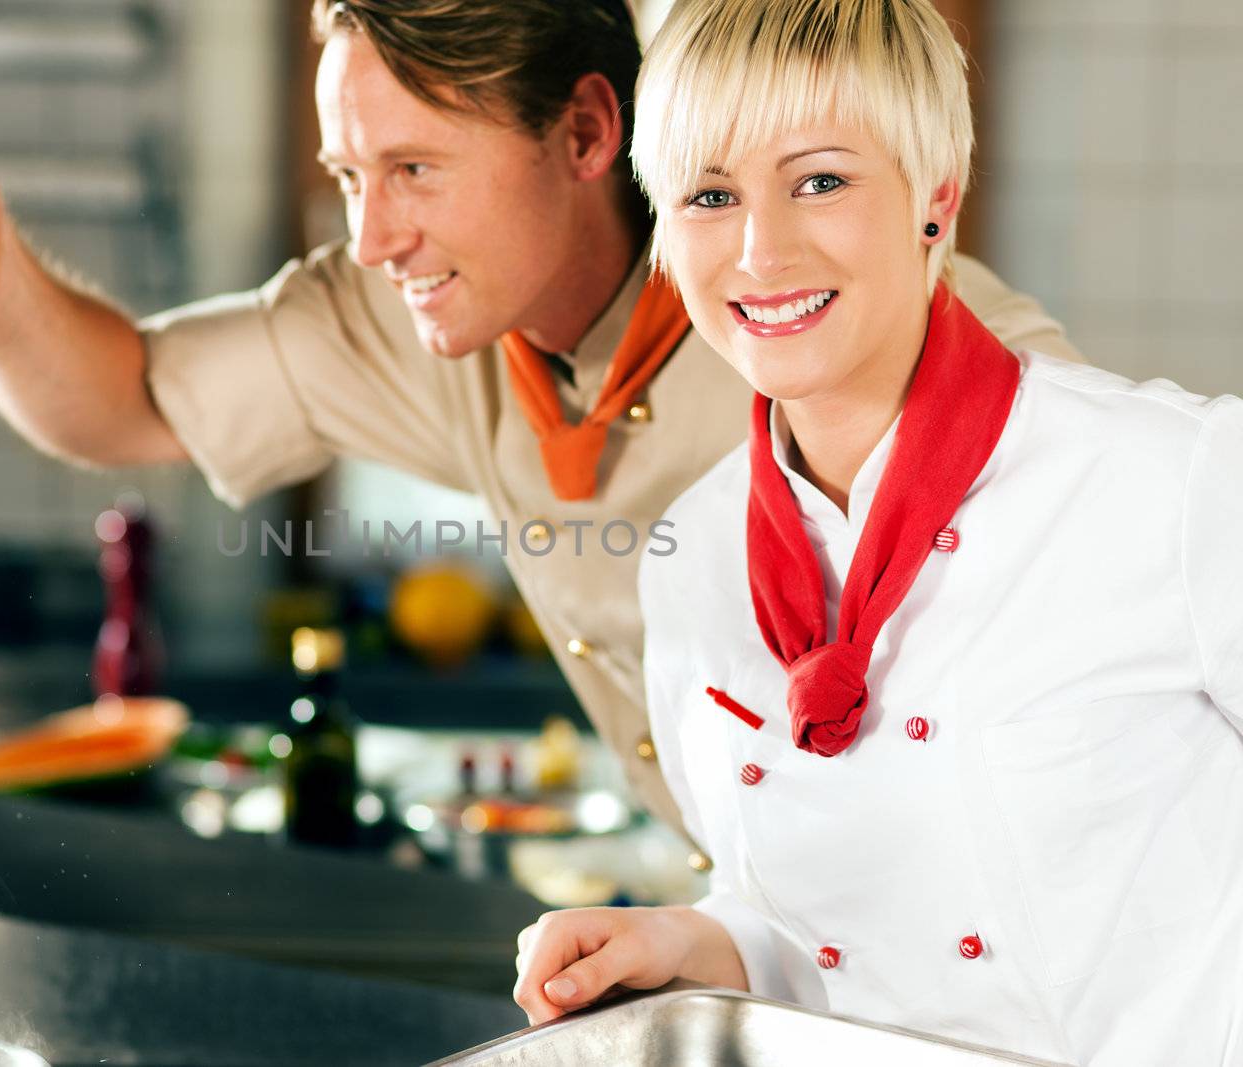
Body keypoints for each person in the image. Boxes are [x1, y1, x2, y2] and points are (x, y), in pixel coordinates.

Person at [0, 0, 1081, 847]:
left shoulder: (832, 313)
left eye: (416, 170)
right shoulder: (408, 314)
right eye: (347, 177)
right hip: (740, 907)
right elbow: (124, 401)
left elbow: (1085, 531)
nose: (372, 234)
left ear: (589, 132)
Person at [512, 1, 1243, 1063]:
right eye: (710, 195)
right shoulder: (695, 557)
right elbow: (814, 930)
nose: (760, 250)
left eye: (821, 179)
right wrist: (685, 938)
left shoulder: (1173, 481)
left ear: (932, 201)